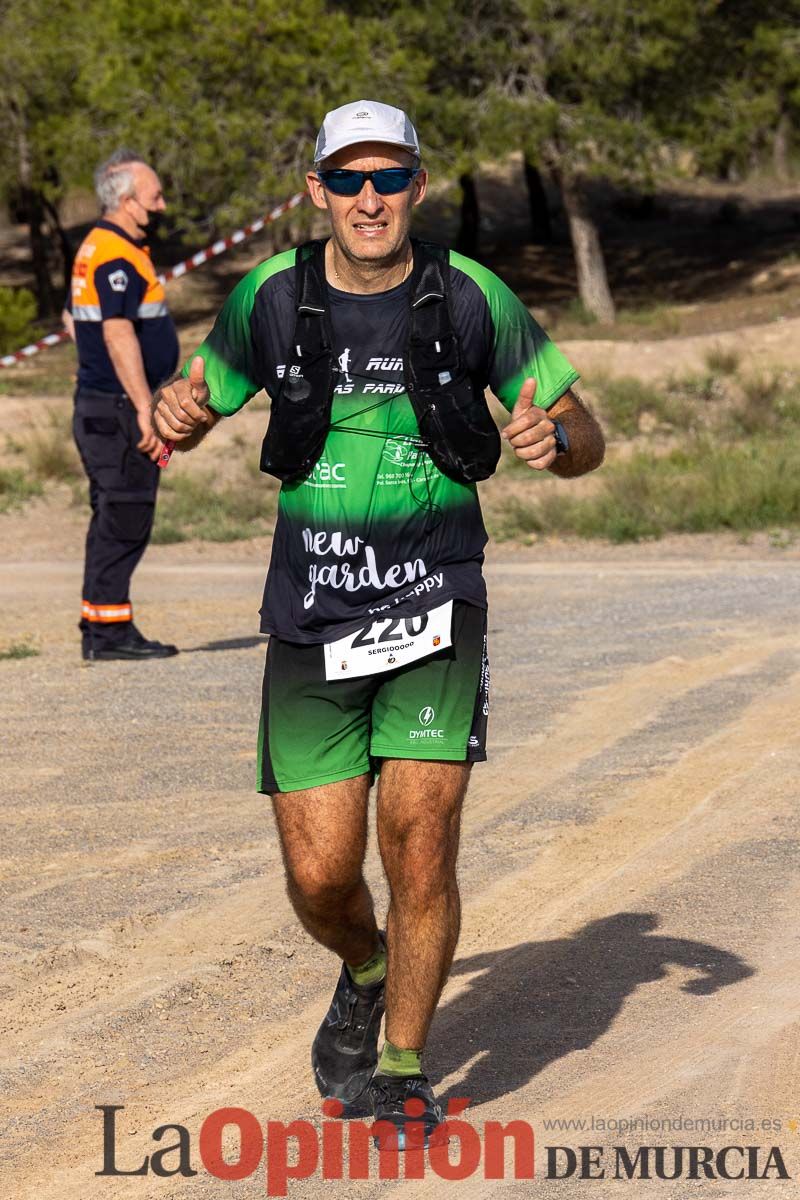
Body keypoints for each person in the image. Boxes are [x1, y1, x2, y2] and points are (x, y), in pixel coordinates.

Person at [153, 99, 605, 1145]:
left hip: (434, 607)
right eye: (347, 180)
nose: (368, 199)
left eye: (387, 179)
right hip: (312, 615)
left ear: (416, 186)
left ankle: (401, 1062)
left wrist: (557, 438)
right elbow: (195, 397)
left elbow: (582, 430)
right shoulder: (270, 296)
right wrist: (176, 415)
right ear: (316, 190)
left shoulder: (472, 296)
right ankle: (362, 967)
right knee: (319, 875)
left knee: (420, 845)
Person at [68, 149, 179, 660]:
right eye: (154, 196)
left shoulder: (100, 246)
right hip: (116, 410)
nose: (161, 205)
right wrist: (142, 407)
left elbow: (77, 323)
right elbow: (116, 333)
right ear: (129, 200)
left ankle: (102, 625)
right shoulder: (114, 253)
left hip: (100, 403)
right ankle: (110, 634)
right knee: (127, 516)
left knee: (112, 516)